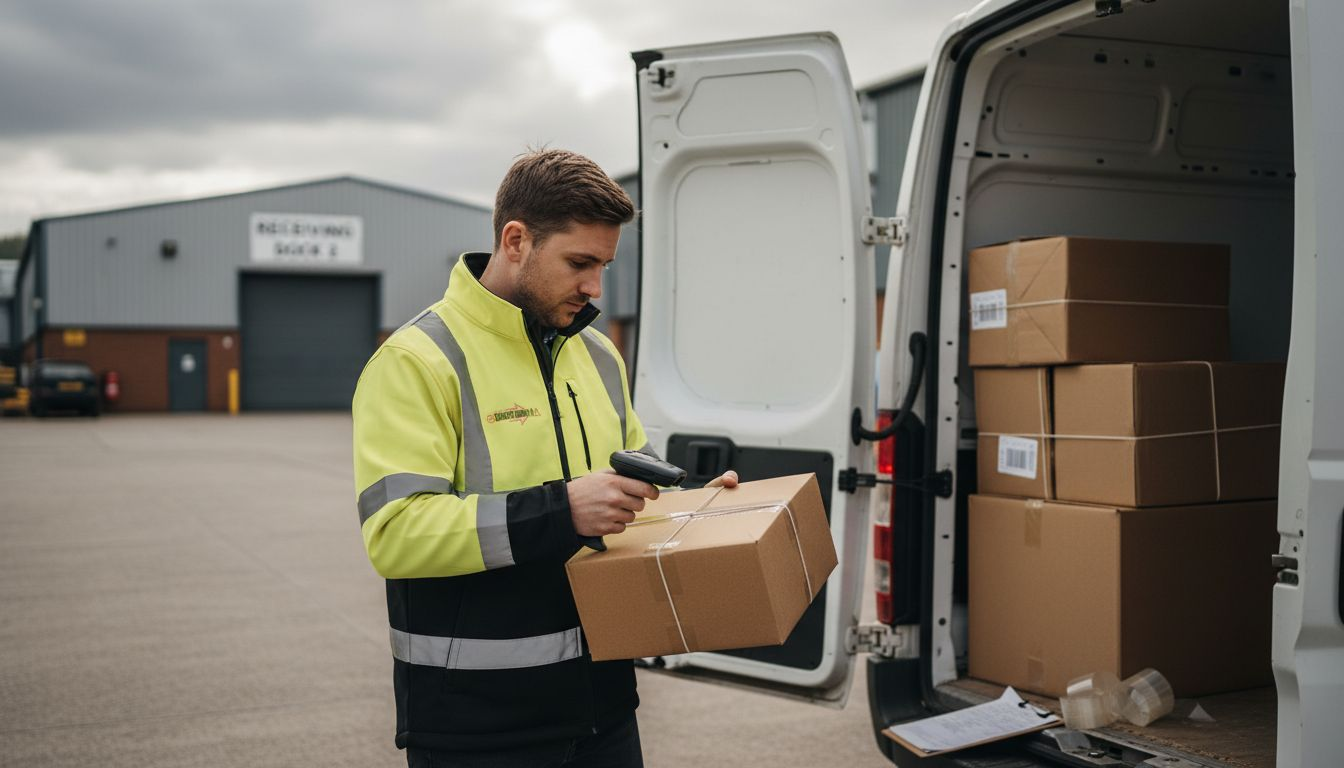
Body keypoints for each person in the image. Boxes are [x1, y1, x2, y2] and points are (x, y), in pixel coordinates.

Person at [352, 148, 737, 767]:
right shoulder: (417, 361)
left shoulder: (599, 354)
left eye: (605, 266)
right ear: (515, 240)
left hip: (604, 711)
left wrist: (697, 508)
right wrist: (563, 509)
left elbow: (629, 491)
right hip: (478, 727)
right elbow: (395, 535)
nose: (595, 288)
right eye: (579, 263)